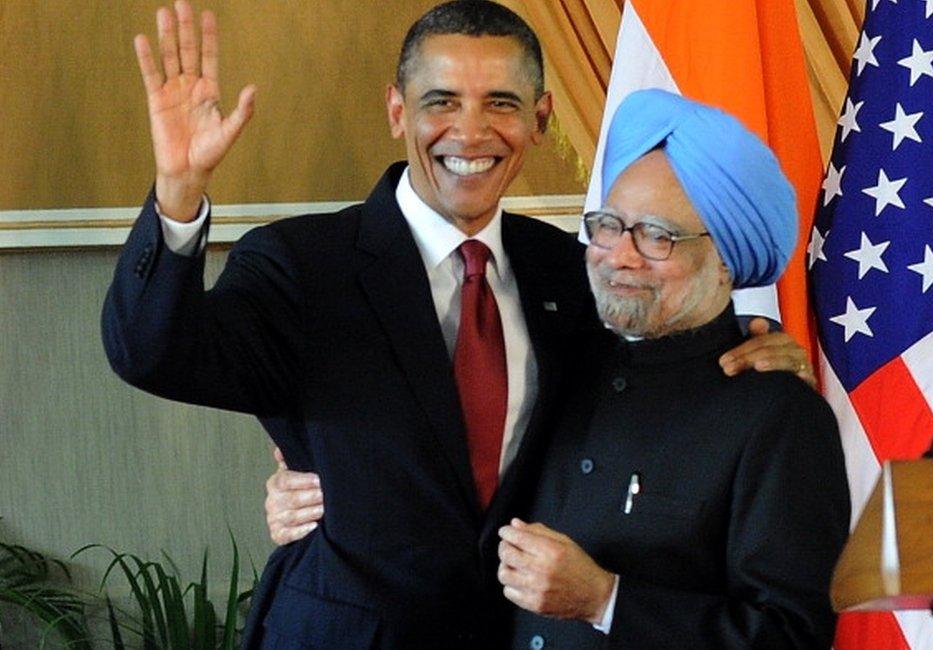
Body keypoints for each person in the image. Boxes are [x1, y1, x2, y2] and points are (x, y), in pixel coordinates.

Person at [104, 1, 814, 647]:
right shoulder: (300, 263)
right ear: (396, 111)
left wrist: (751, 349)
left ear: (538, 120)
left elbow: (640, 392)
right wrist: (178, 192)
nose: (470, 132)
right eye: (441, 101)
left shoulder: (573, 270)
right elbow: (153, 354)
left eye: (500, 103)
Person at [266, 90, 850, 649]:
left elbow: (792, 635)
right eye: (608, 225)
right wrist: (326, 488)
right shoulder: (559, 357)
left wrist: (606, 600)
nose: (620, 255)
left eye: (657, 237)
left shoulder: (780, 417)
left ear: (726, 259)